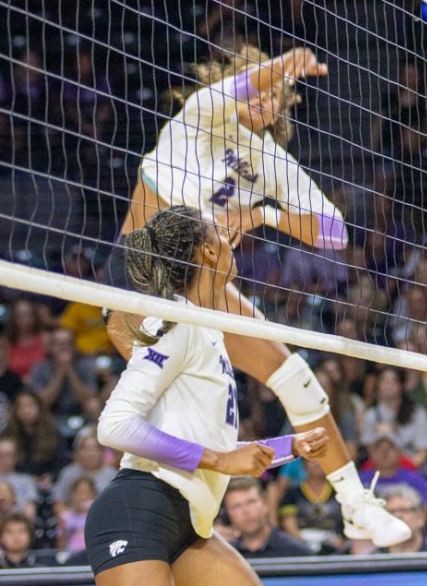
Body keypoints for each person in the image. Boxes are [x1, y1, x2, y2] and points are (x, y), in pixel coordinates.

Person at [104, 44, 405, 547]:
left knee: (297, 378)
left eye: (279, 94)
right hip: (143, 279)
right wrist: (281, 66)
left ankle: (355, 504)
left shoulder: (272, 161)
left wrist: (263, 213)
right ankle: (162, 517)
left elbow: (335, 232)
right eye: (259, 86)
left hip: (205, 288)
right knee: (179, 411)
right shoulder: (199, 116)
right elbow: (234, 90)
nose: (267, 96)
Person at [84, 205, 334, 585]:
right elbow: (114, 426)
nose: (231, 236)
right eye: (219, 230)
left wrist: (289, 447)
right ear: (207, 251)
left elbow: (211, 447)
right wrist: (220, 460)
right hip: (139, 510)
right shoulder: (174, 322)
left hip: (190, 524)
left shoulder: (206, 329)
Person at [360, 368, 427, 468]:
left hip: (411, 469)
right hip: (380, 470)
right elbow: (368, 451)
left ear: (402, 385)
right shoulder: (371, 415)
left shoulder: (418, 413)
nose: (388, 385)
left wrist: (403, 471)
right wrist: (379, 438)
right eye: (383, 381)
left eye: (393, 381)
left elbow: (423, 452)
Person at [223, 478, 311, 558]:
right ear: (228, 513)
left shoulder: (297, 552)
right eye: (236, 506)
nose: (246, 511)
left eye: (251, 502)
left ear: (265, 504)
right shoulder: (225, 556)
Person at [277, 455, 345, 552]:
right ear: (304, 466)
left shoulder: (338, 492)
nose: (317, 464)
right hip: (300, 545)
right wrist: (302, 543)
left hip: (334, 544)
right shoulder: (292, 492)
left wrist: (341, 541)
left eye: (321, 460)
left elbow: (346, 520)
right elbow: (288, 522)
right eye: (312, 461)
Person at [357, 422, 427, 509]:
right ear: (371, 453)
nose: (384, 451)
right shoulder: (358, 481)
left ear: (399, 452)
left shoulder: (415, 479)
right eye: (379, 447)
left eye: (390, 447)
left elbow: (426, 509)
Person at [0, 389, 65, 480]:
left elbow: (62, 461)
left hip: (46, 484)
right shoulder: (7, 434)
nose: (26, 411)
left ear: (39, 408)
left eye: (30, 406)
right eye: (21, 407)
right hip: (14, 483)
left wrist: (51, 476)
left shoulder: (52, 433)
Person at [29, 328, 98, 417]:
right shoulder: (39, 368)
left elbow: (88, 397)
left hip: (79, 408)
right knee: (36, 407)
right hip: (51, 411)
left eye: (67, 343)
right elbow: (42, 400)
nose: (63, 347)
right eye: (58, 343)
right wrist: (60, 372)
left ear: (73, 347)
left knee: (93, 404)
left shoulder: (85, 365)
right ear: (50, 347)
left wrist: (69, 370)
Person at [53, 427, 117, 512]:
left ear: (102, 452)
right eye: (86, 449)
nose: (91, 454)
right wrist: (67, 517)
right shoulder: (68, 473)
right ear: (79, 452)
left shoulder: (113, 475)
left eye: (95, 449)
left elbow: (118, 504)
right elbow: (58, 502)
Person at [372, 484, 427, 554]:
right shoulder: (372, 560)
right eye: (391, 512)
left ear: (421, 516)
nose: (398, 516)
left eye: (404, 510)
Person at [4, 298, 47, 382]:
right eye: (20, 316)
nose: (25, 320)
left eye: (28, 315)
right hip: (15, 387)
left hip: (42, 386)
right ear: (13, 318)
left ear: (35, 317)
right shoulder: (6, 342)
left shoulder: (45, 339)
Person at [58, 477, 96, 552]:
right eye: (79, 492)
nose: (83, 496)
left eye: (87, 492)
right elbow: (60, 547)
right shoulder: (65, 517)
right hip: (71, 557)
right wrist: (63, 529)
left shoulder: (98, 516)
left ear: (93, 495)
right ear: (72, 494)